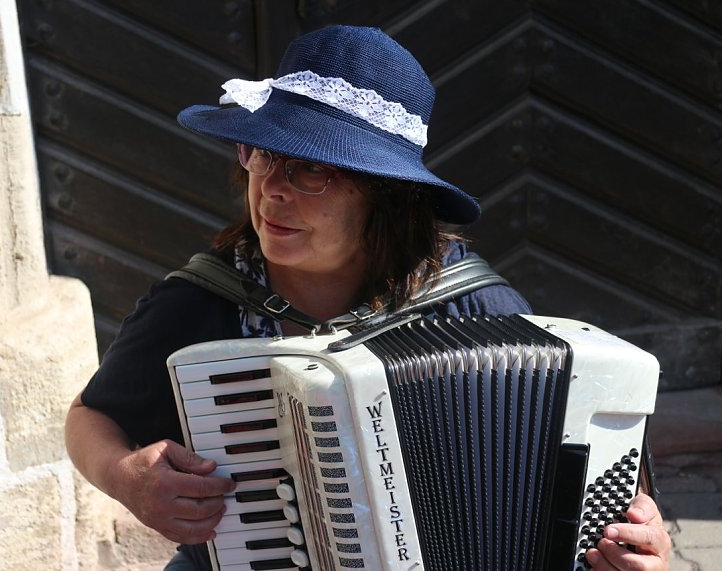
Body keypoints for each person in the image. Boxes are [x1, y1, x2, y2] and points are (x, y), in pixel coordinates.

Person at [64, 25, 671, 571]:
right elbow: (90, 416)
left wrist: (642, 543)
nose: (273, 190)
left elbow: (596, 484)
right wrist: (123, 476)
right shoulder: (202, 303)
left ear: (385, 194)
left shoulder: (473, 307)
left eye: (310, 171)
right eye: (263, 155)